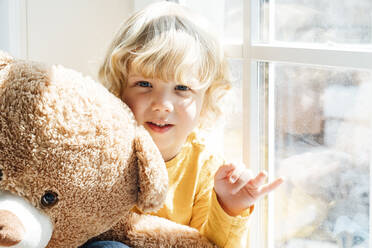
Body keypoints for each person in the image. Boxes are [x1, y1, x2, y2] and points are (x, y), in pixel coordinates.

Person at [82, 2, 283, 248]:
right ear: (119, 89)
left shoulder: (206, 168)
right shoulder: (101, 152)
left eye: (182, 88)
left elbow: (212, 245)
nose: (162, 104)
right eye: (144, 84)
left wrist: (229, 207)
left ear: (205, 100)